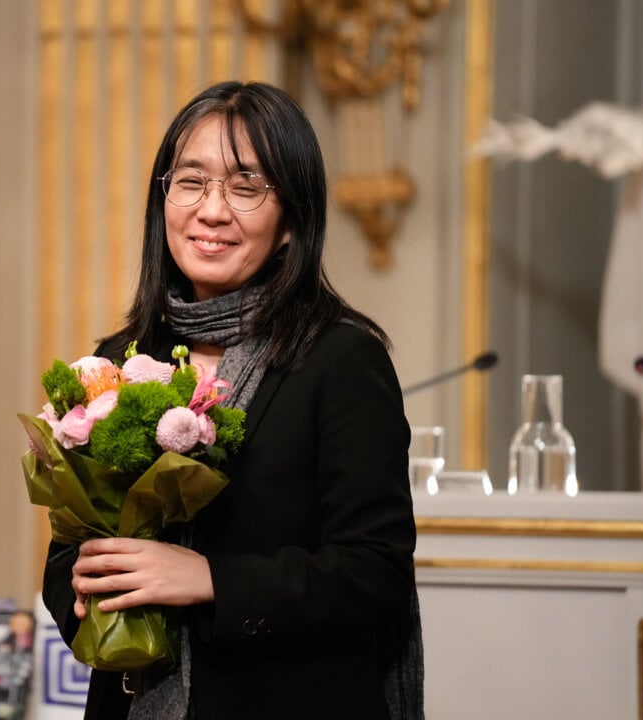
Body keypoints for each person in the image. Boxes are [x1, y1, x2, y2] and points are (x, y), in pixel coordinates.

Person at [42, 81, 422, 719]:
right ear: (163, 199)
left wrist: (208, 580)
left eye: (246, 188)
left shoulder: (341, 360)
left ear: (291, 221)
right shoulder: (118, 360)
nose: (211, 211)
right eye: (190, 182)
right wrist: (81, 585)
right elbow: (65, 554)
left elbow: (374, 576)